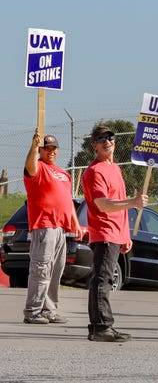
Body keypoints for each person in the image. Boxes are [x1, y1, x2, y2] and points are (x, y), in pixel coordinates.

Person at [82, 125, 148, 342]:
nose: (107, 142)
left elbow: (119, 205)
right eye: (102, 139)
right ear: (95, 145)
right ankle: (101, 327)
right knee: (102, 280)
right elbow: (103, 204)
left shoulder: (115, 169)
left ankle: (100, 326)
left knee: (105, 279)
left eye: (110, 138)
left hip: (116, 234)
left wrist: (126, 234)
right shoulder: (94, 171)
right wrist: (133, 202)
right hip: (103, 233)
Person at [22, 130, 80, 325]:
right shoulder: (37, 167)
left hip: (61, 228)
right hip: (44, 226)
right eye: (47, 149)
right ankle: (33, 311)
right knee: (41, 269)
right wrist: (33, 146)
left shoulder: (63, 173)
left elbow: (68, 201)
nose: (51, 152)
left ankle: (49, 309)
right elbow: (29, 165)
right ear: (41, 150)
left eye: (54, 149)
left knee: (55, 271)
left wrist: (75, 223)